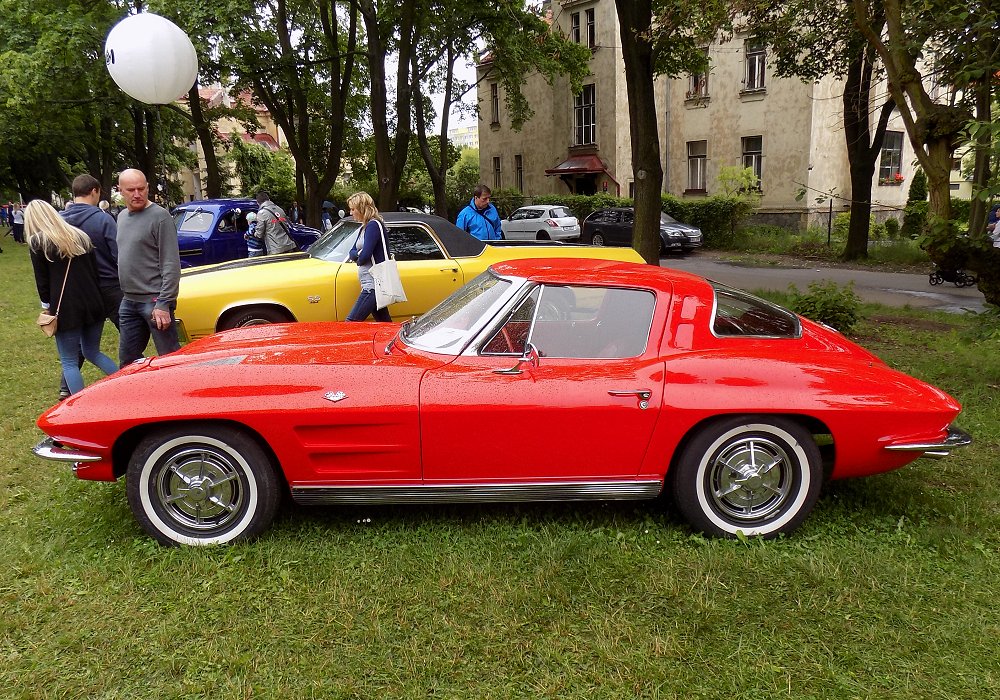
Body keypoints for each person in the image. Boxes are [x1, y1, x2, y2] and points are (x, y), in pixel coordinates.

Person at [25, 200, 119, 396]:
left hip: (66, 308)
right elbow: (95, 271)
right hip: (94, 302)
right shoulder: (80, 236)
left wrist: (47, 307)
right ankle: (125, 382)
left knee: (69, 360)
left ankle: (79, 407)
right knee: (92, 352)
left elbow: (42, 282)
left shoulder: (38, 242)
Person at [59, 174, 123, 399]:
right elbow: (118, 255)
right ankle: (130, 377)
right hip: (108, 285)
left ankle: (66, 388)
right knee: (128, 333)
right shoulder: (103, 219)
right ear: (95, 191)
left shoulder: (59, 220)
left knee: (74, 345)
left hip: (77, 289)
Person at [116, 168, 181, 367]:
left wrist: (163, 303)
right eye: (131, 190)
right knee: (127, 362)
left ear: (147, 188)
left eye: (141, 189)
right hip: (129, 300)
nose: (137, 194)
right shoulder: (121, 217)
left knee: (170, 359)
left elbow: (171, 263)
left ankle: (181, 395)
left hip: (154, 301)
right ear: (120, 191)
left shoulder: (160, 217)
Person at [344, 191, 391, 322]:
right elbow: (351, 251)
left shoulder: (373, 225)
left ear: (362, 208)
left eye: (353, 209)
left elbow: (364, 256)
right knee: (385, 325)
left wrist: (357, 256)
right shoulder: (364, 228)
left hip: (373, 285)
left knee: (351, 322)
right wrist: (357, 255)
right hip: (369, 284)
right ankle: (396, 341)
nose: (351, 213)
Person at [253, 190, 297, 255]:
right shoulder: (279, 209)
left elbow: (259, 234)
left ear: (258, 203)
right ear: (269, 199)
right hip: (289, 245)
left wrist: (254, 233)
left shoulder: (261, 213)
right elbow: (286, 225)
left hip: (275, 249)